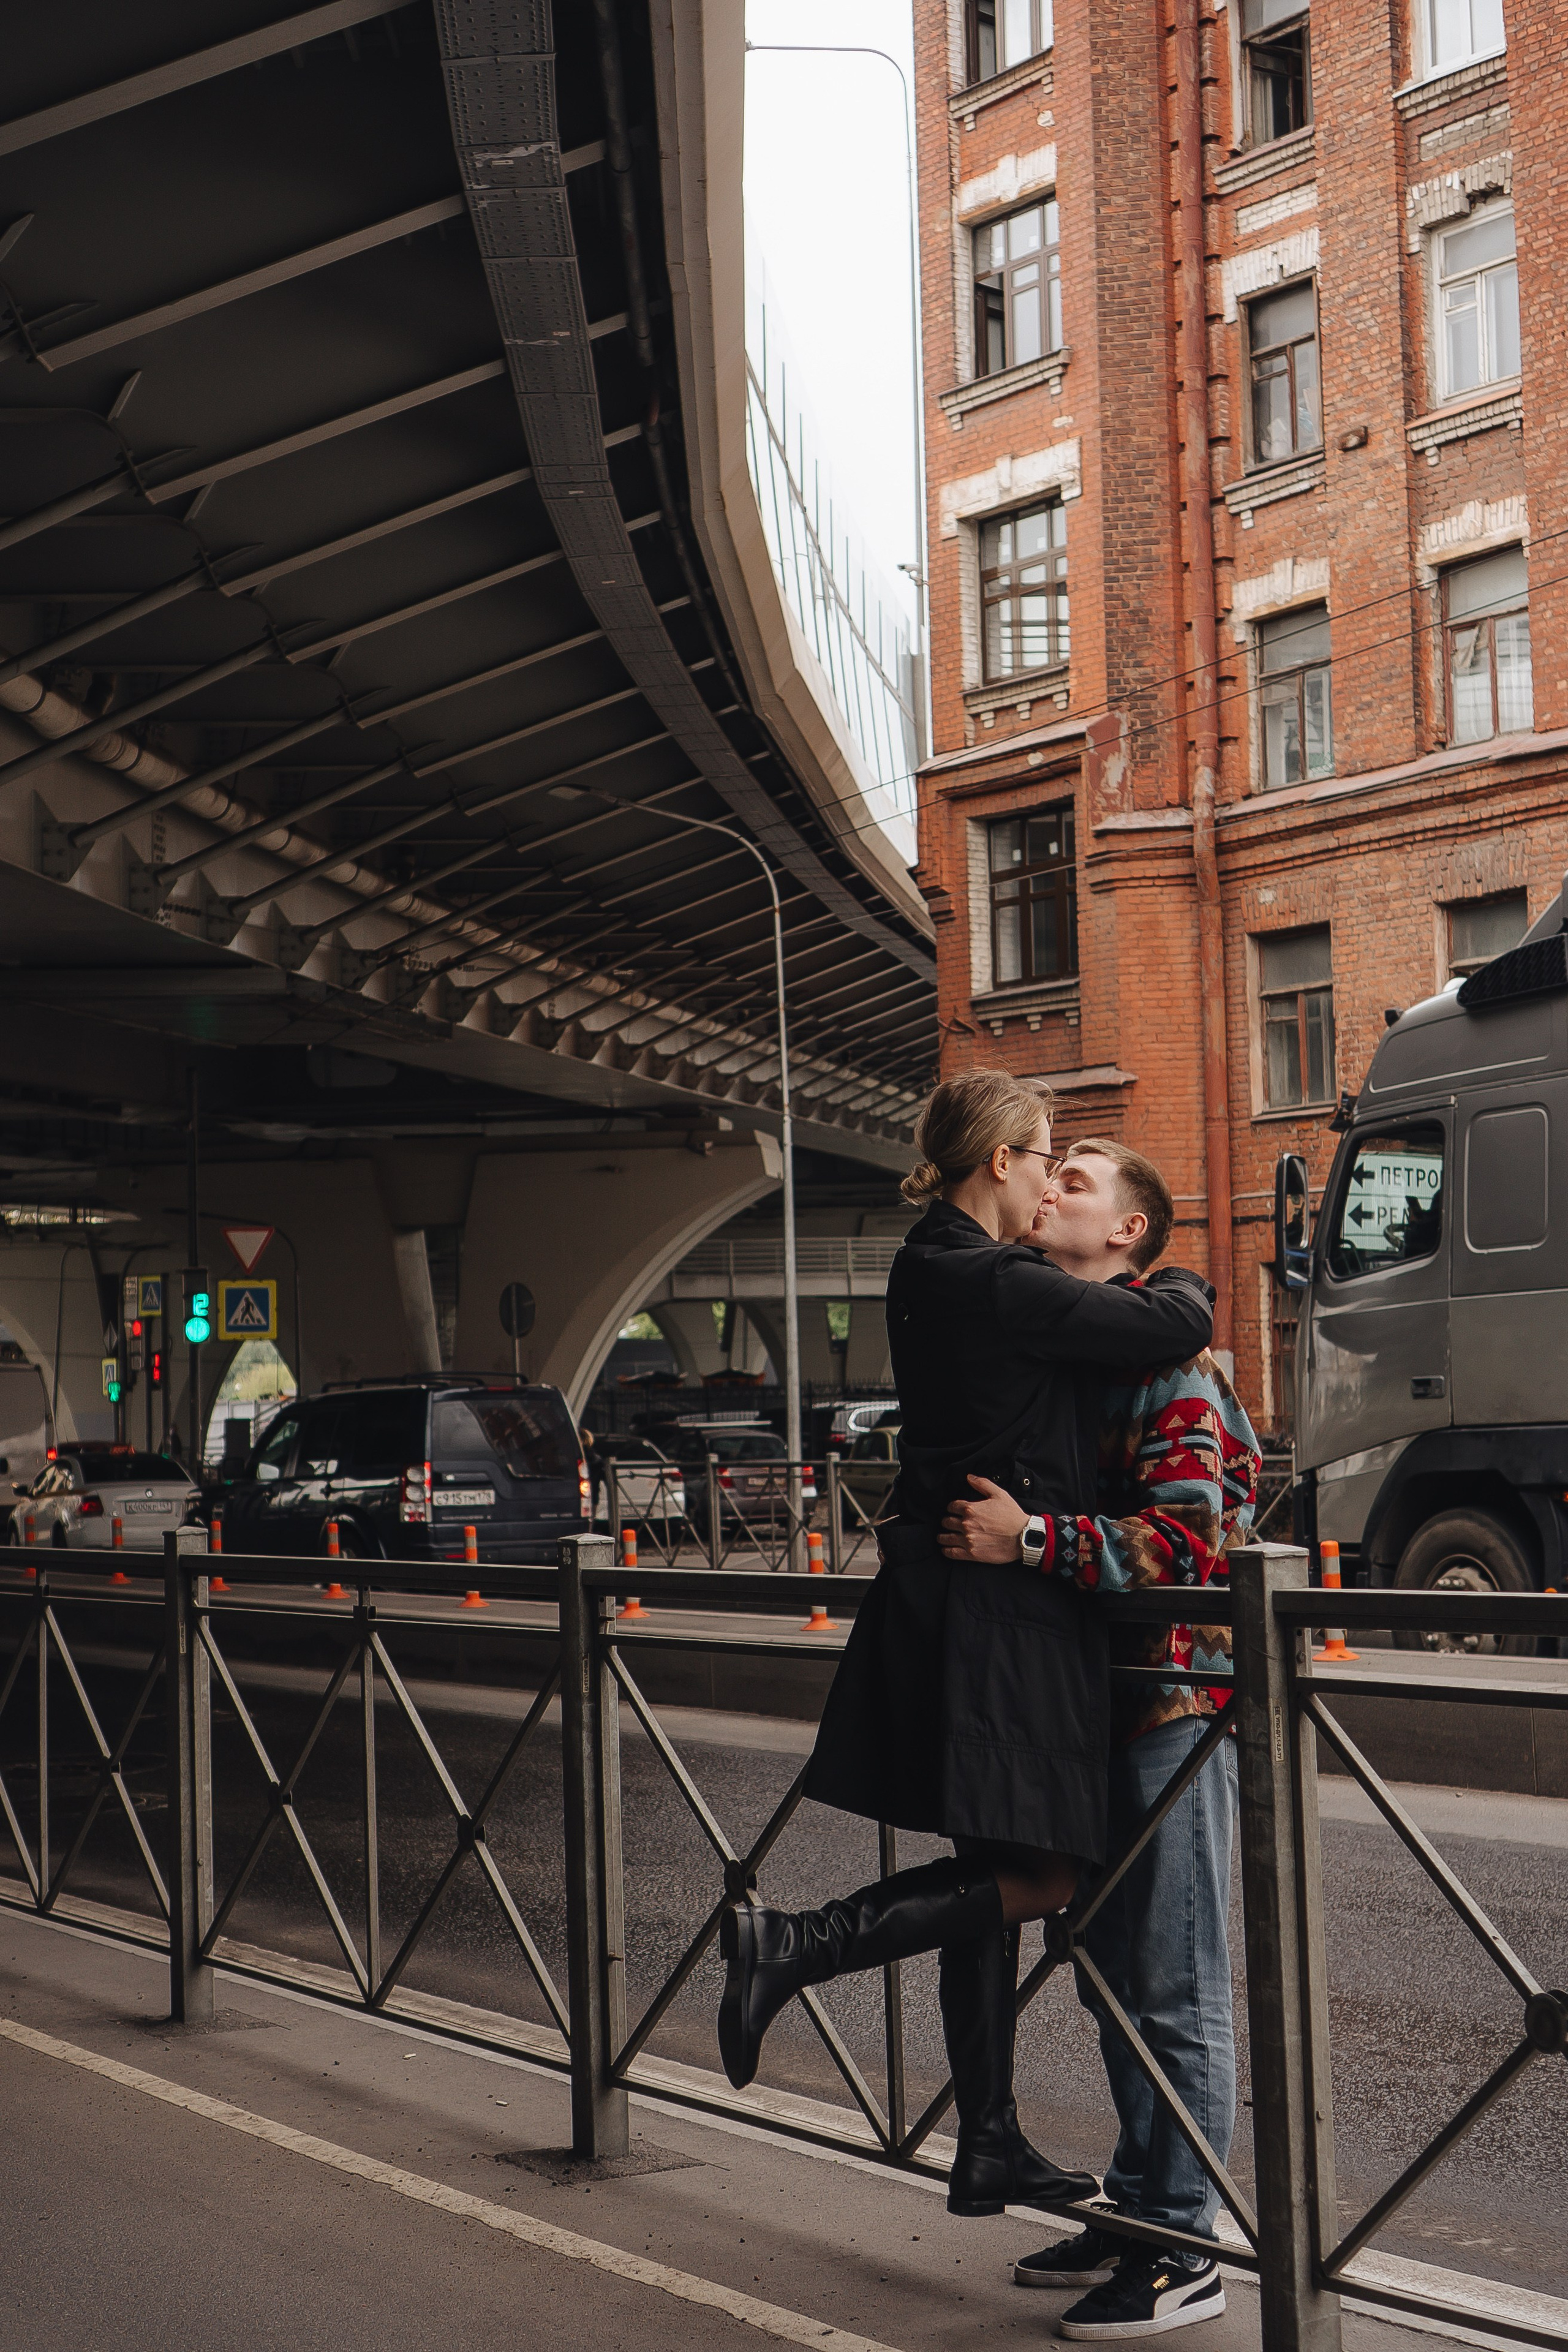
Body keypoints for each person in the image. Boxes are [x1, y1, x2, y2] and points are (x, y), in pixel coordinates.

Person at [716, 1072, 1215, 2222]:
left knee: (994, 1873)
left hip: (967, 1598)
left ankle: (988, 2139)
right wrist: (1180, 1265)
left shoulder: (937, 1261)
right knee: (1039, 1872)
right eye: (1045, 1156)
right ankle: (794, 1943)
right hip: (1002, 1617)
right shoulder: (993, 1277)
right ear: (1000, 1161)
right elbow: (1173, 1319)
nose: (1050, 1177)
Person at [940, 1138, 1260, 2340]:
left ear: (1128, 1232)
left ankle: (1184, 2248)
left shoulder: (1169, 1367)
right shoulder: (1085, 1357)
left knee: (1168, 1989)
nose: (1049, 1185)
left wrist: (1032, 1540)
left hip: (1170, 1713)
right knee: (1114, 1980)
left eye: (1076, 1178)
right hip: (1096, 1715)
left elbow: (1188, 1557)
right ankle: (1138, 2207)